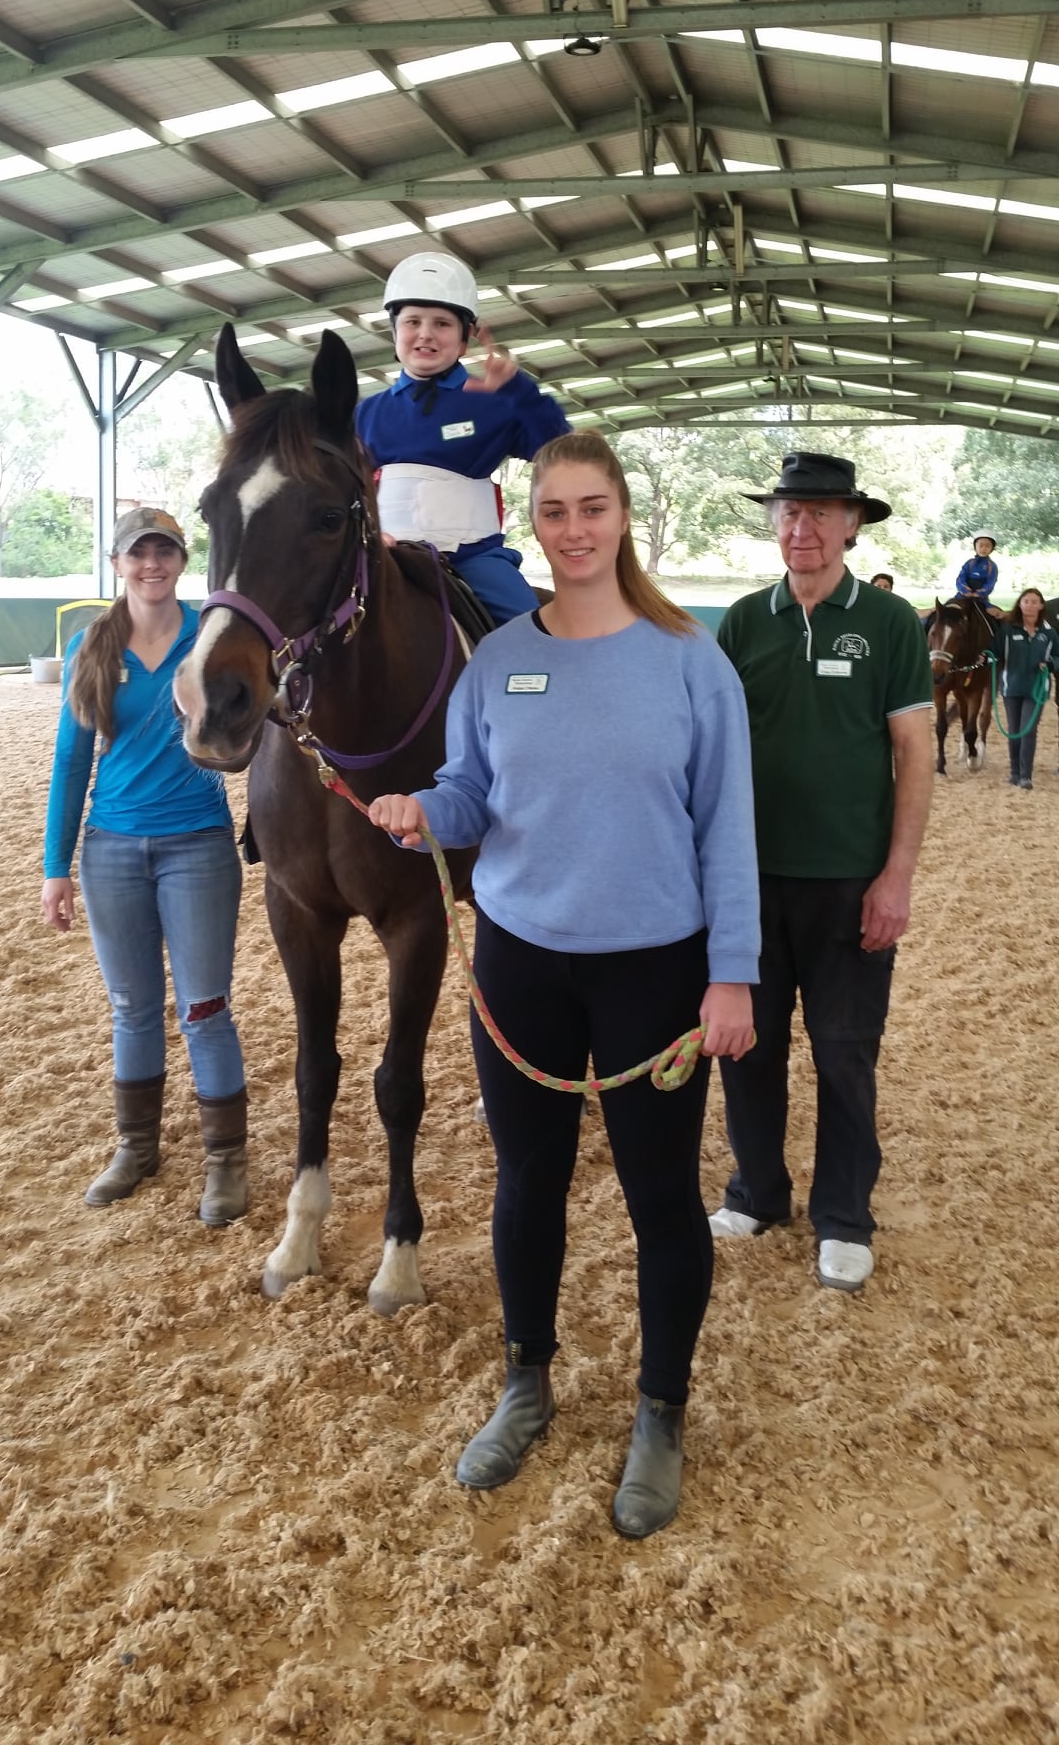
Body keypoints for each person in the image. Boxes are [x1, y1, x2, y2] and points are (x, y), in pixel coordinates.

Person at [368, 430, 759, 1540]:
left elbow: (727, 826)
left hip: (656, 967)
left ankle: (661, 1411)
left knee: (659, 1196)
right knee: (527, 1181)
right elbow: (470, 794)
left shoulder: (691, 660)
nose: (574, 530)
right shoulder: (497, 663)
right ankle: (526, 1381)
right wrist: (420, 813)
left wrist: (732, 975)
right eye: (554, 511)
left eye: (592, 508)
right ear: (528, 524)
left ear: (622, 517)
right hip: (520, 960)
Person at [710, 452, 933, 1294]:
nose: (801, 528)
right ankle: (757, 1193)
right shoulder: (742, 622)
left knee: (844, 1054)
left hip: (849, 881)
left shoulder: (890, 622)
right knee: (748, 1049)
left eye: (820, 513)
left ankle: (843, 1215)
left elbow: (914, 753)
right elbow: (711, 752)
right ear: (773, 524)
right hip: (749, 881)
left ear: (851, 525)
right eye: (788, 513)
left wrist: (896, 876)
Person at [40, 507, 249, 1226]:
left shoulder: (211, 636)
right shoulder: (92, 645)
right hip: (111, 848)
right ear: (118, 564)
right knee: (131, 1008)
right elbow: (71, 761)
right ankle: (136, 1147)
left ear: (182, 561)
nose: (151, 564)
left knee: (205, 1008)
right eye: (138, 553)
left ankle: (226, 1160)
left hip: (198, 846)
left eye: (164, 552)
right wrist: (56, 866)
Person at [356, 251, 569, 624]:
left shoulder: (495, 403)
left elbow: (559, 450)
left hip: (472, 558)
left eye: (441, 323)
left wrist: (520, 392)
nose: (425, 333)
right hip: (381, 551)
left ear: (465, 337)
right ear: (394, 331)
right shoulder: (365, 412)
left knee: (531, 631)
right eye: (412, 322)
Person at [989, 588, 1058, 790]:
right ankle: (1014, 773)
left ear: (1041, 606)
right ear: (1020, 604)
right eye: (1026, 601)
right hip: (1012, 687)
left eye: (1034, 602)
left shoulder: (1049, 632)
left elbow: (1058, 656)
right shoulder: (1008, 630)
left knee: (1028, 729)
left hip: (1037, 688)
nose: (1029, 605)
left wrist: (1051, 664)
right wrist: (986, 656)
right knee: (1014, 731)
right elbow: (994, 651)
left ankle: (1026, 775)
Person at [955, 533, 999, 610]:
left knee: (995, 613)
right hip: (962, 596)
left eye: (987, 546)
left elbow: (991, 583)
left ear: (992, 548)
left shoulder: (992, 566)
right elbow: (961, 578)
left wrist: (979, 593)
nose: (984, 549)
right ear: (975, 547)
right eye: (981, 545)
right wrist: (965, 591)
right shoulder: (969, 563)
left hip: (981, 599)